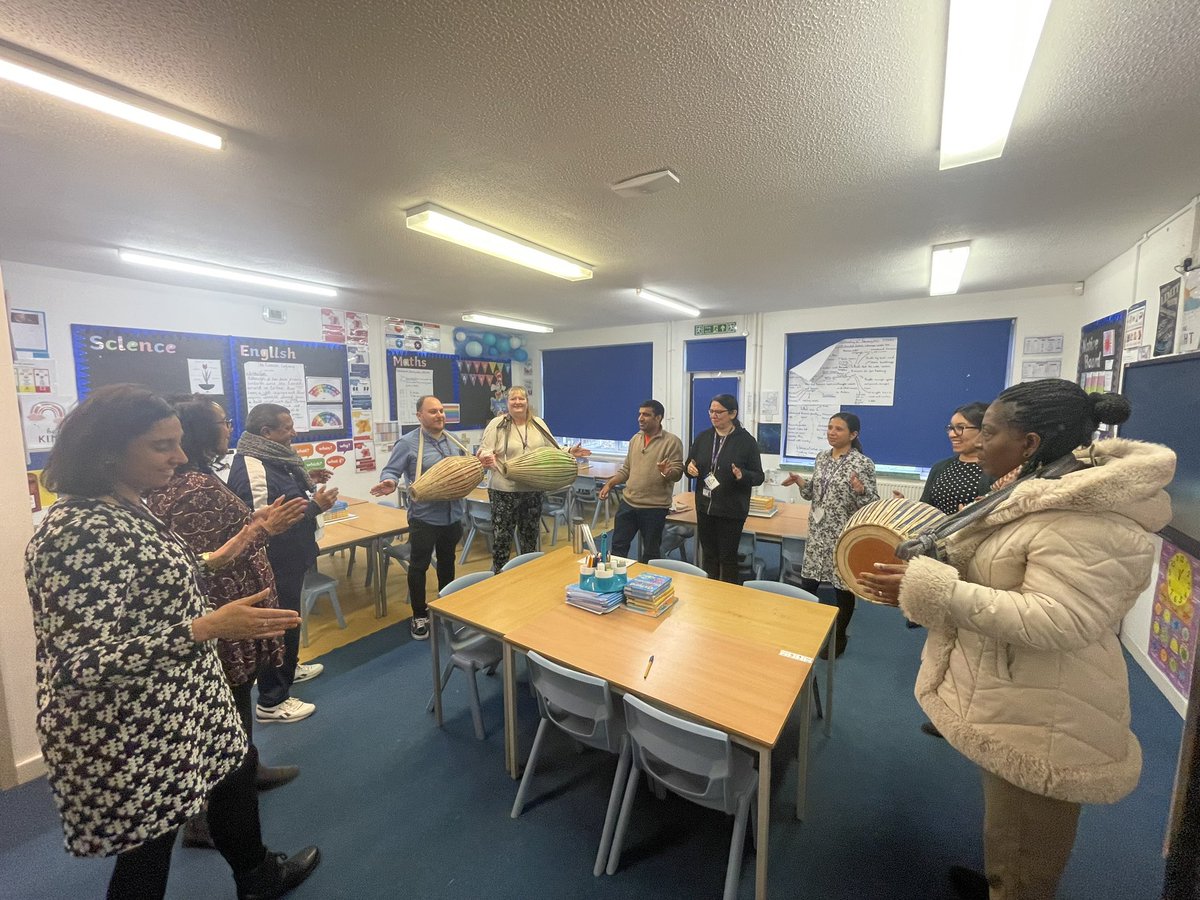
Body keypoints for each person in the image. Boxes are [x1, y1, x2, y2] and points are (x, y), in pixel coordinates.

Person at [859, 379, 1175, 900]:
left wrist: (936, 589)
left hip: (1051, 708)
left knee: (1030, 842)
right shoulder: (1037, 484)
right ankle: (998, 881)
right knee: (1008, 817)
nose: (976, 443)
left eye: (987, 432)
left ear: (1028, 442)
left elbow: (1060, 619)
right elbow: (1004, 567)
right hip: (1017, 691)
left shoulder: (1085, 515)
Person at [25, 384, 319, 900]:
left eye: (179, 442)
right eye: (162, 445)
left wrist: (248, 535)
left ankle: (257, 877)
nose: (180, 457)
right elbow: (77, 663)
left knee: (233, 778)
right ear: (108, 449)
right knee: (146, 855)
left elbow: (173, 570)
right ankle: (257, 876)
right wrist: (207, 627)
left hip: (183, 699)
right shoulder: (77, 530)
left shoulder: (124, 506)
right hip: (136, 723)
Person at [145, 395, 309, 847]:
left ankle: (247, 768)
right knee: (227, 708)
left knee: (232, 708)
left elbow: (211, 545)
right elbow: (205, 564)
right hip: (222, 622)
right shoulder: (192, 486)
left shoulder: (195, 479)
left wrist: (252, 523)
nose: (228, 427)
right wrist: (258, 530)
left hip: (226, 618)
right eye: (221, 421)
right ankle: (206, 816)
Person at [228, 404, 338, 724]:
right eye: (287, 428)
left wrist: (309, 483)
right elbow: (265, 527)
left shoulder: (277, 459)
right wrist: (314, 507)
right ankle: (272, 700)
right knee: (274, 626)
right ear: (266, 433)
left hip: (293, 557)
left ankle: (287, 668)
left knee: (288, 620)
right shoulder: (253, 466)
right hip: (274, 563)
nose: (294, 432)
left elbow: (286, 499)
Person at [371, 395, 469, 640]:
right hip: (424, 517)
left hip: (452, 515)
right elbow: (392, 470)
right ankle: (419, 615)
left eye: (441, 411)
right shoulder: (407, 443)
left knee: (447, 562)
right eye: (433, 411)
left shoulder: (452, 441)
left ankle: (447, 606)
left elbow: (463, 469)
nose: (439, 415)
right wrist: (390, 482)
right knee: (419, 566)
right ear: (419, 416)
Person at [781, 412, 877, 655]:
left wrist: (860, 490)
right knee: (808, 582)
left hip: (842, 534)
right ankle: (803, 631)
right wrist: (800, 482)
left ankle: (839, 637)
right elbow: (814, 493)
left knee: (841, 587)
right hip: (818, 532)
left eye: (839, 429)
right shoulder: (821, 458)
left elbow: (871, 503)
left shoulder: (862, 463)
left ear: (853, 435)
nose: (832, 432)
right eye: (830, 427)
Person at [901, 402, 995, 646]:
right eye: (951, 428)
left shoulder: (996, 471)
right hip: (938, 554)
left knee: (966, 622)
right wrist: (909, 509)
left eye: (961, 428)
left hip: (973, 559)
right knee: (939, 626)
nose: (953, 434)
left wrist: (974, 517)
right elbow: (927, 507)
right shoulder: (941, 468)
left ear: (984, 430)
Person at [478, 386, 587, 572]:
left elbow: (552, 448)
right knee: (502, 539)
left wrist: (569, 452)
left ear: (527, 402)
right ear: (507, 403)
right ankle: (499, 577)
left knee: (529, 537)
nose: (518, 402)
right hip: (503, 490)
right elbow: (484, 449)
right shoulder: (497, 424)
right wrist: (487, 457)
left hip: (532, 489)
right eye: (513, 399)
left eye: (521, 398)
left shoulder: (537, 423)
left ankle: (528, 575)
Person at [683, 393, 764, 583]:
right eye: (711, 411)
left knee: (727, 558)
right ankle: (709, 593)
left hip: (731, 510)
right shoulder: (703, 437)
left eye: (719, 412)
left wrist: (742, 475)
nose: (713, 415)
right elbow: (689, 464)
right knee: (708, 555)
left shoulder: (746, 441)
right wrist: (689, 468)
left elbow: (759, 476)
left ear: (733, 413)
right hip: (705, 507)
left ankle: (728, 598)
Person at [598, 399, 685, 563]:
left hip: (654, 507)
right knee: (618, 548)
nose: (640, 418)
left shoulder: (671, 442)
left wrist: (668, 472)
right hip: (629, 503)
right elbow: (626, 470)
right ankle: (616, 582)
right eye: (639, 414)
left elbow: (678, 473)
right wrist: (610, 484)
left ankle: (645, 586)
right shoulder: (635, 439)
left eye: (646, 414)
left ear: (658, 418)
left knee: (651, 553)